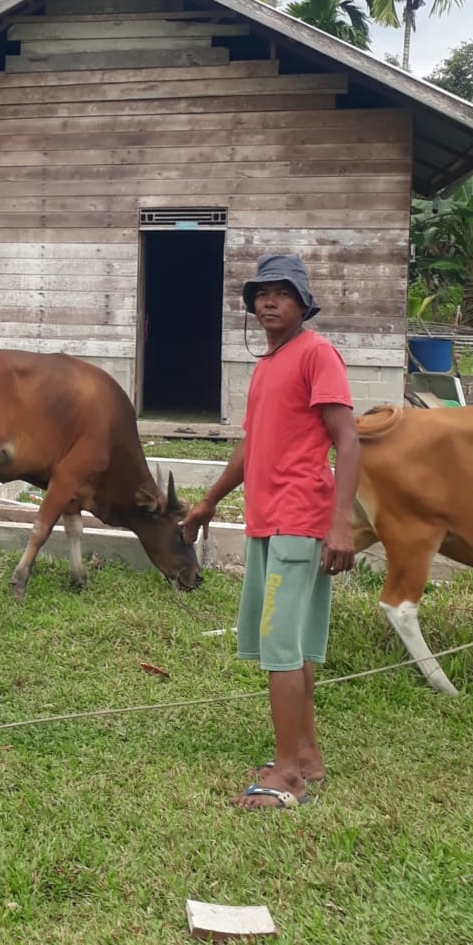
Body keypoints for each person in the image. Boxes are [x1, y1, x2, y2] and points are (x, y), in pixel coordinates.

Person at [181, 253, 360, 809]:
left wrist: (342, 524)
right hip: (267, 519)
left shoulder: (316, 354)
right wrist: (211, 499)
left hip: (299, 519)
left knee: (280, 649)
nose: (269, 301)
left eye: (283, 292)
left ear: (304, 303)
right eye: (261, 292)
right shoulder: (267, 366)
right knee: (295, 645)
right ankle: (306, 757)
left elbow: (348, 440)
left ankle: (286, 778)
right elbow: (251, 445)